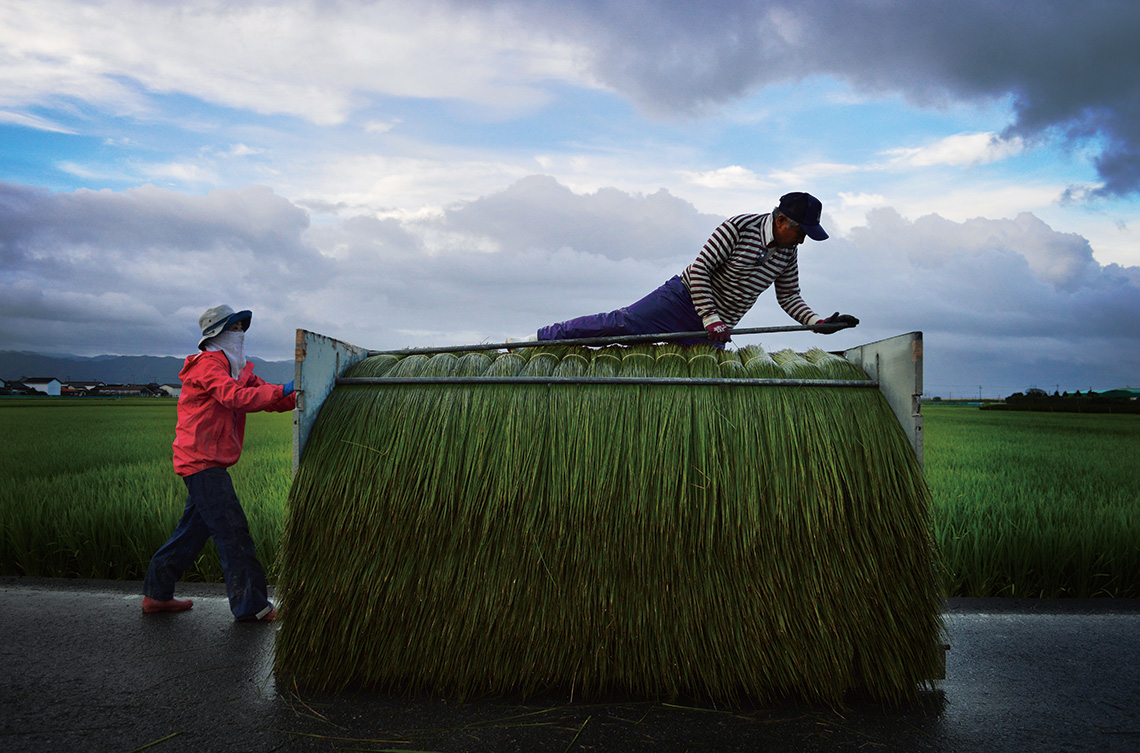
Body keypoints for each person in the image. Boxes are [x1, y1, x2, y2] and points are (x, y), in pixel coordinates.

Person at [530, 192, 858, 347]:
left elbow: (789, 297)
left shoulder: (787, 253)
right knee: (622, 325)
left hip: (717, 326)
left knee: (699, 383)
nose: (802, 241)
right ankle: (540, 339)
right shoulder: (738, 227)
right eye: (801, 231)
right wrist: (710, 316)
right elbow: (701, 270)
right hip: (684, 300)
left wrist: (818, 322)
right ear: (781, 220)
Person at [141, 305, 295, 621]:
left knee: (191, 533)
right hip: (201, 461)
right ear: (218, 334)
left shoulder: (238, 370)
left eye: (242, 328)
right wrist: (283, 388)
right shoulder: (207, 367)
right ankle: (251, 607)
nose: (240, 334)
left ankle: (156, 594)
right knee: (233, 533)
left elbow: (268, 398)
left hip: (209, 461)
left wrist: (300, 395)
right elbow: (234, 397)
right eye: (234, 328)